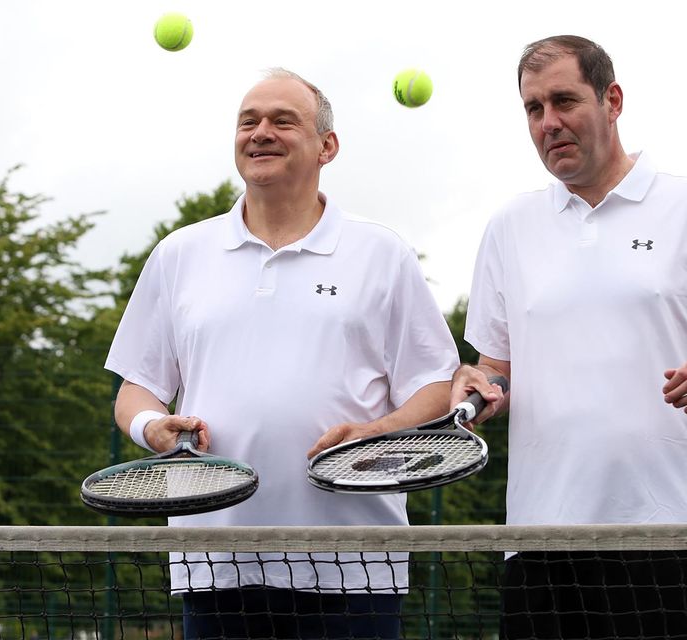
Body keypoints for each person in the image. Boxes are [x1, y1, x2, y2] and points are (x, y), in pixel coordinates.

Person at [450, 35, 687, 640]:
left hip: (666, 538)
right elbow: (497, 372)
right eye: (533, 109)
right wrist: (477, 384)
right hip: (537, 542)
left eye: (565, 101)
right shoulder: (510, 227)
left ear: (612, 100)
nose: (549, 123)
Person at [105, 68, 459, 640]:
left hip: (356, 567)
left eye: (282, 121)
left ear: (327, 146)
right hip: (216, 565)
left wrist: (378, 430)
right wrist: (153, 427)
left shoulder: (381, 253)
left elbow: (436, 384)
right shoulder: (180, 254)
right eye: (249, 121)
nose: (260, 132)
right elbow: (135, 389)